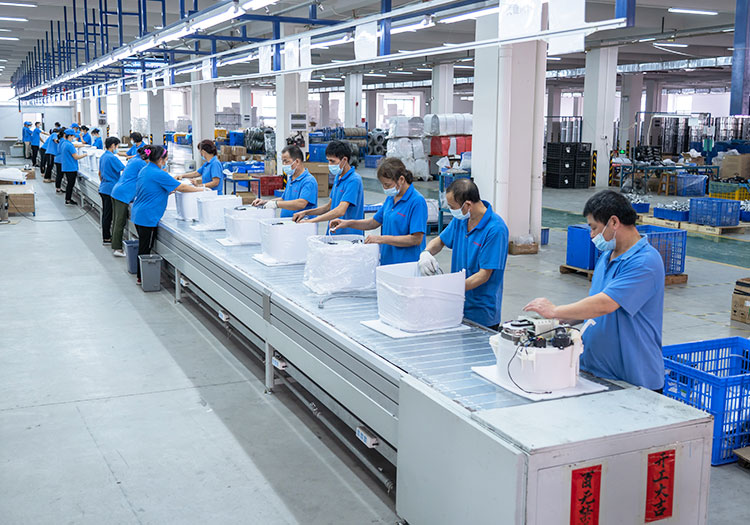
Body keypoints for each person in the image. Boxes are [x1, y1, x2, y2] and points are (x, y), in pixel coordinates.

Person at [523, 190, 666, 391]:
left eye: (594, 227)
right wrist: (559, 320)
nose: (591, 235)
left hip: (633, 380)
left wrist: (555, 310)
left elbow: (605, 304)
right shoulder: (606, 257)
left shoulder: (645, 262)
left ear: (614, 222)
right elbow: (593, 306)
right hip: (595, 373)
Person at [419, 178, 508, 330]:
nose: (451, 210)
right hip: (457, 305)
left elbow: (484, 275)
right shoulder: (461, 220)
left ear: (467, 205)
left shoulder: (495, 229)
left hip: (481, 312)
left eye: (452, 207)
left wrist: (451, 289)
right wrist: (426, 253)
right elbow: (440, 240)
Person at [329, 157, 427, 265]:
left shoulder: (417, 201)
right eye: (383, 184)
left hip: (407, 264)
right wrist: (347, 223)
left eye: (387, 185)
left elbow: (416, 239)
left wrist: (382, 239)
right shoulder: (391, 198)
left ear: (401, 179)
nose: (385, 188)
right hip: (388, 262)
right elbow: (373, 222)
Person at [131, 146, 203, 284]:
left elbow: (150, 189)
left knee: (143, 245)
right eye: (165, 158)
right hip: (147, 216)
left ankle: (142, 274)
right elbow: (181, 187)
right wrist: (201, 190)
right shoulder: (158, 173)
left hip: (139, 213)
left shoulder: (145, 169)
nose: (166, 161)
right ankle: (142, 277)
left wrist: (166, 191)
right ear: (160, 159)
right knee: (145, 248)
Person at [292, 140, 363, 235]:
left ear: (344, 160)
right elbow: (329, 207)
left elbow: (340, 211)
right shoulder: (338, 177)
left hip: (348, 235)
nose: (330, 164)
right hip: (334, 233)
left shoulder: (354, 180)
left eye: (332, 161)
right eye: (328, 160)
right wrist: (305, 212)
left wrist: (312, 221)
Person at [252, 144, 317, 217]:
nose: (284, 164)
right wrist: (266, 202)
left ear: (297, 161)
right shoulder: (291, 179)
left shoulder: (308, 181)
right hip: (288, 222)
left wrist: (276, 204)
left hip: (301, 223)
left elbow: (301, 203)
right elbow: (284, 199)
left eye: (286, 161)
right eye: (283, 162)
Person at [111, 147, 148, 257]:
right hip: (123, 194)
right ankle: (117, 248)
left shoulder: (134, 159)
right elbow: (149, 175)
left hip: (118, 191)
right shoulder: (141, 163)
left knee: (116, 220)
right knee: (120, 221)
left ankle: (115, 244)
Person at [98, 137, 125, 245]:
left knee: (106, 213)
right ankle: (106, 237)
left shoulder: (103, 156)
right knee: (109, 215)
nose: (117, 148)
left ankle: (106, 235)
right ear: (113, 145)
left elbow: (100, 173)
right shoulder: (112, 158)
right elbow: (124, 169)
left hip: (104, 187)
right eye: (117, 146)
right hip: (110, 189)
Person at [58, 128, 88, 205]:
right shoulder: (69, 145)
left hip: (66, 166)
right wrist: (85, 155)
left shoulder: (64, 143)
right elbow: (76, 157)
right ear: (70, 136)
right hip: (71, 168)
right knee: (70, 184)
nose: (73, 137)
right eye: (73, 136)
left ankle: (67, 199)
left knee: (69, 184)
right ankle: (68, 200)